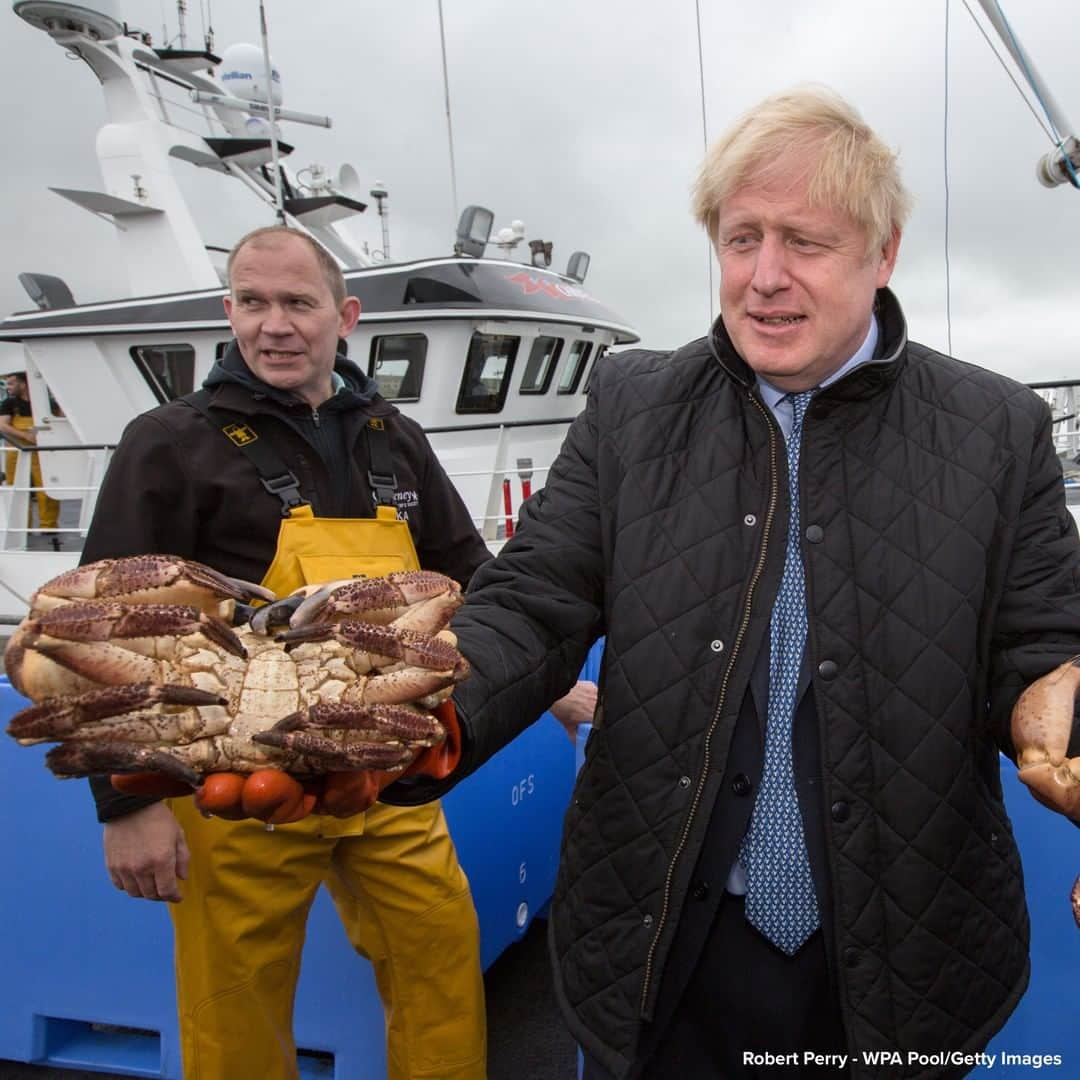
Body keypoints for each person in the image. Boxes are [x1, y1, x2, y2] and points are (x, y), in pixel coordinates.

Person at [381, 87, 1080, 1079]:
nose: (764, 278)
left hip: (906, 945)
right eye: (740, 238)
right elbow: (531, 602)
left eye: (805, 241)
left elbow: (1044, 648)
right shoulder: (631, 406)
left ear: (882, 256)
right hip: (664, 935)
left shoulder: (997, 430)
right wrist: (409, 718)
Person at [80, 225, 498, 1080]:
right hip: (239, 790)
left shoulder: (393, 436)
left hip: (389, 772)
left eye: (297, 303)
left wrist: (552, 683)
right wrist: (126, 806)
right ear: (229, 312)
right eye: (253, 302)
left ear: (342, 317)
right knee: (234, 1009)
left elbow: (470, 573)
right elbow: (112, 627)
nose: (275, 324)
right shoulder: (167, 441)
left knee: (441, 964)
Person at [0, 371, 61, 547]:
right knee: (18, 490)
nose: (9, 388)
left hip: (42, 452)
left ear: (24, 383)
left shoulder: (44, 403)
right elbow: (2, 425)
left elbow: (58, 419)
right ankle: (21, 528)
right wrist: (26, 436)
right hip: (16, 452)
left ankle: (49, 528)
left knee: (47, 489)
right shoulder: (9, 403)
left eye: (11, 383)